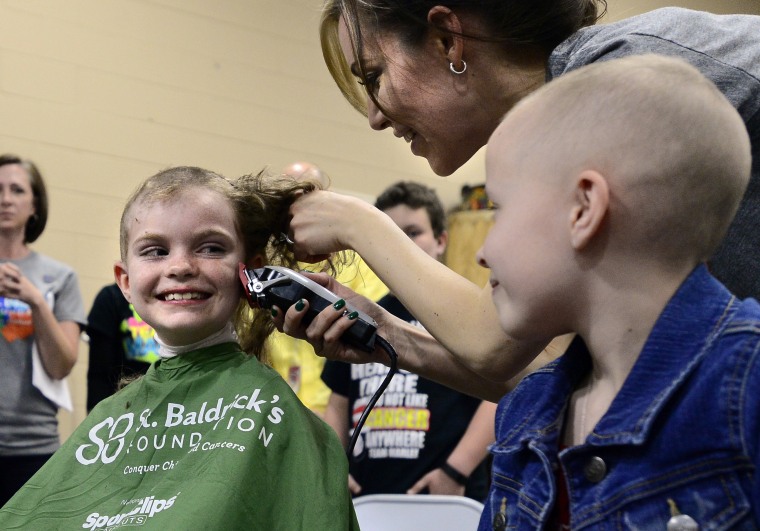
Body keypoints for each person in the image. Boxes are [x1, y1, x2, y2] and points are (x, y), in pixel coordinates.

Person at [278, 1, 760, 402]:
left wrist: (354, 221)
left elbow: (491, 342)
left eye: (373, 75)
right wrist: (384, 332)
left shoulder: (623, 77)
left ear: (448, 39)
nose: (373, 117)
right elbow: (563, 375)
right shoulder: (569, 119)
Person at [477, 55, 758, 528]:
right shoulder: (524, 413)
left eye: (497, 209)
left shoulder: (745, 387)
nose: (483, 252)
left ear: (583, 209)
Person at [0, 166, 359, 530]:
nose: (181, 267)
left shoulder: (277, 414)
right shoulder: (110, 416)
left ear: (250, 271)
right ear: (125, 281)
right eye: (156, 251)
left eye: (211, 248)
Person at [323, 180, 495, 500]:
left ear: (441, 240)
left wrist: (455, 471)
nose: (400, 244)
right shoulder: (360, 313)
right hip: (369, 499)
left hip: (446, 495)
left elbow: (502, 396)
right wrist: (334, 467)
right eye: (389, 235)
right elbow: (338, 401)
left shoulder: (469, 311)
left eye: (413, 232)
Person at [267, 161, 388, 416]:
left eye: (307, 197)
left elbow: (374, 329)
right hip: (274, 409)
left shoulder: (357, 260)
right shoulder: (266, 264)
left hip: (333, 407)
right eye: (286, 200)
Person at [0, 154, 86, 507]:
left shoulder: (59, 277)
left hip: (33, 447)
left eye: (17, 190)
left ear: (34, 206)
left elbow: (62, 365)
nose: (5, 198)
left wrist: (36, 301)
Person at [86, 283, 159, 411]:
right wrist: (96, 416)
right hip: (124, 405)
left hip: (171, 402)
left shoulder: (174, 297)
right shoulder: (112, 297)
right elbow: (99, 372)